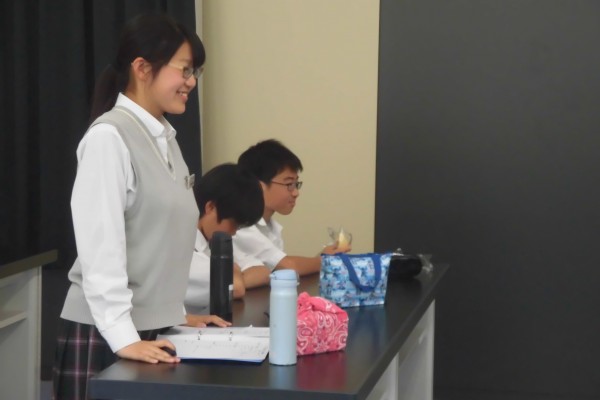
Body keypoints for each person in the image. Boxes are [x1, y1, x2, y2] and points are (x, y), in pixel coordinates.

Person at [52, 14, 226, 400]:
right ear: (143, 68)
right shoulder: (109, 137)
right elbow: (101, 250)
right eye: (185, 69)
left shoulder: (167, 139)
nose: (191, 82)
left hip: (146, 330)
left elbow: (154, 245)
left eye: (195, 72)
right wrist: (122, 337)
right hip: (106, 332)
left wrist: (173, 315)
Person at [233, 139, 351, 289]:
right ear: (259, 186)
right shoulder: (241, 226)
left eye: (296, 184)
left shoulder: (271, 226)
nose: (296, 193)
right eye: (289, 184)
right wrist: (324, 260)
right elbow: (288, 266)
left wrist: (323, 257)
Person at [184, 163, 264, 318]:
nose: (233, 232)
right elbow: (237, 288)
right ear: (211, 207)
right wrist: (234, 270)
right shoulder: (186, 247)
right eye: (234, 224)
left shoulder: (210, 241)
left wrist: (233, 272)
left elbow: (262, 271)